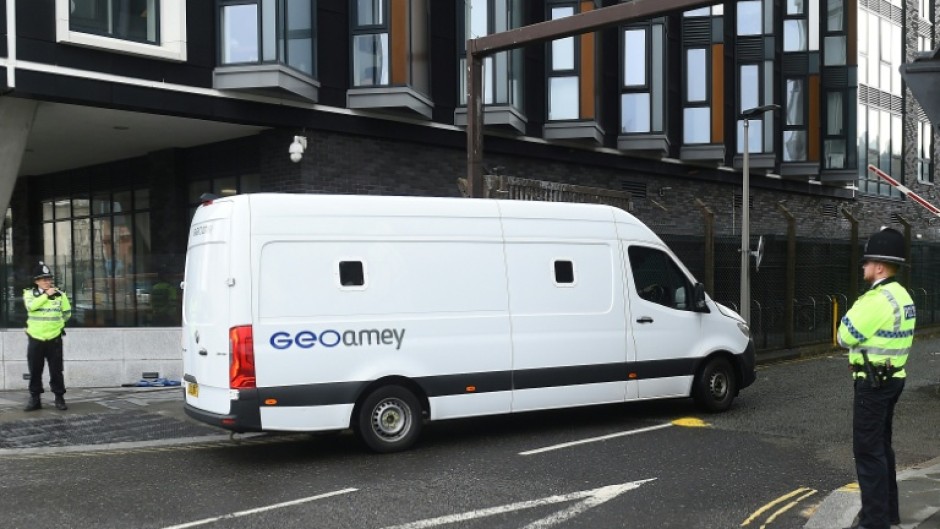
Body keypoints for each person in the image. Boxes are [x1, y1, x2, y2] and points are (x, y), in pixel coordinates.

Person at [837, 227, 915, 529]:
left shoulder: (875, 299)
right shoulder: (903, 296)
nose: (863, 267)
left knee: (868, 452)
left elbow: (843, 336)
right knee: (882, 448)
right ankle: (887, 513)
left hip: (872, 384)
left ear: (880, 266)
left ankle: (874, 521)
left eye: (867, 262)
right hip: (893, 378)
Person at [23, 261, 72, 411]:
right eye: (43, 279)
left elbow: (67, 313)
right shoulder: (29, 294)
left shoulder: (60, 295)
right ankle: (35, 399)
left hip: (54, 338)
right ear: (36, 281)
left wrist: (57, 326)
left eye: (49, 279)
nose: (47, 282)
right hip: (36, 338)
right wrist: (46, 295)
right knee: (35, 370)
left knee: (56, 371)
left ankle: (59, 397)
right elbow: (31, 307)